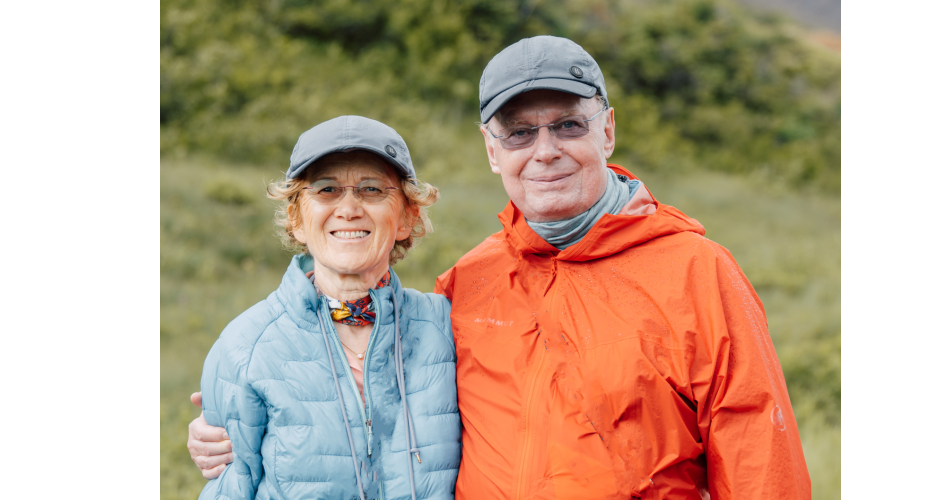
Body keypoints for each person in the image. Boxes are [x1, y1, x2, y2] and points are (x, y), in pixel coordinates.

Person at [190, 37, 811, 499]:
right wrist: (223, 429)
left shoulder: (696, 272)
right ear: (492, 150)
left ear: (608, 131)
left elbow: (762, 457)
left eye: (569, 125)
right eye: (519, 133)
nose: (545, 151)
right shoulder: (468, 284)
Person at [193, 115, 462, 500]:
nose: (349, 208)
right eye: (326, 190)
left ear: (407, 216)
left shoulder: (447, 328)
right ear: (297, 219)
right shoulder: (245, 346)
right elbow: (230, 487)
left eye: (371, 189)